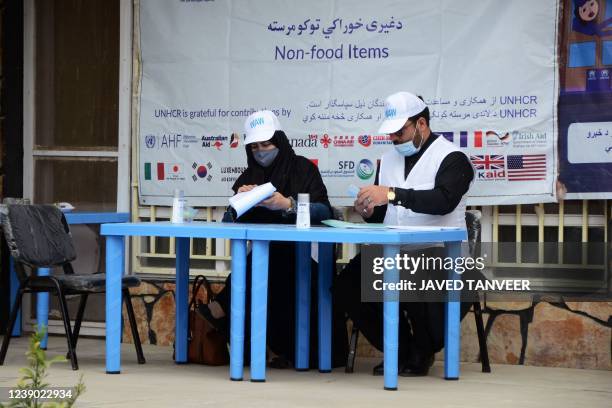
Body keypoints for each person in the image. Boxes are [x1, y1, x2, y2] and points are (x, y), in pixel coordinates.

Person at [333, 92, 475, 376]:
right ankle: (399, 348)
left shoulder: (453, 158)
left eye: (400, 132)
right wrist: (369, 210)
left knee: (412, 278)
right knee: (347, 286)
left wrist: (392, 194)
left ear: (421, 124)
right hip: (391, 249)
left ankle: (422, 350)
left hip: (436, 250)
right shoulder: (386, 160)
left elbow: (443, 200)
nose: (395, 139)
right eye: (391, 134)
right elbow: (385, 214)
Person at [198, 110, 347, 368]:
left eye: (266, 144)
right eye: (254, 146)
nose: (260, 151)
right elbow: (229, 222)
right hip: (267, 259)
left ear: (280, 141)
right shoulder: (249, 177)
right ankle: (257, 344)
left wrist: (287, 204)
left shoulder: (303, 169)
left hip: (306, 258)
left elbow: (324, 211)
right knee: (261, 262)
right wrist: (240, 202)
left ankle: (220, 308)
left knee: (267, 261)